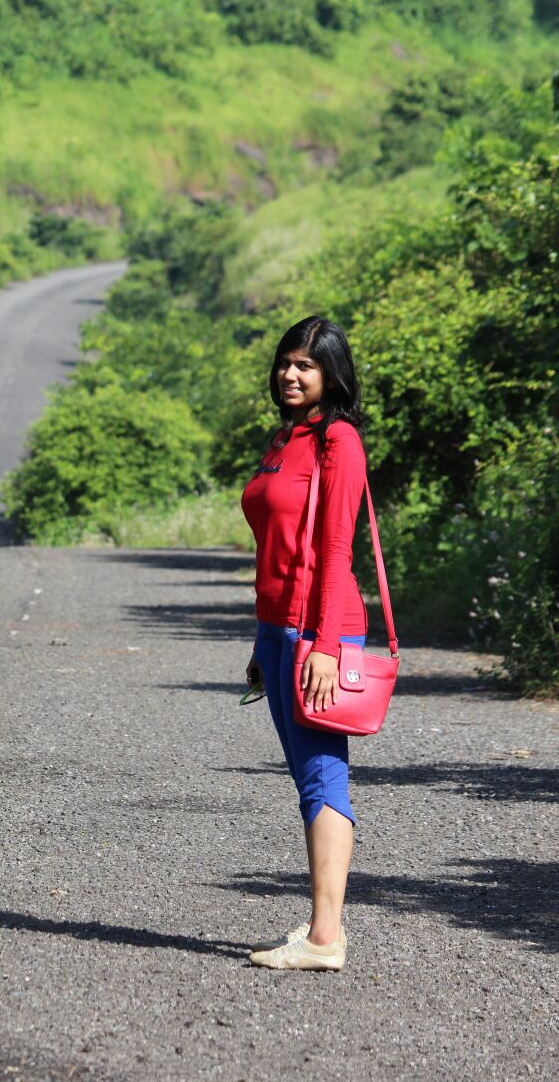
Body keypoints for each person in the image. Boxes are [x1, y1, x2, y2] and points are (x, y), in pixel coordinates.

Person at [240, 314, 368, 972]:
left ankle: (324, 938)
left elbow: (336, 549)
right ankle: (322, 925)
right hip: (279, 629)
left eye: (306, 365)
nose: (290, 374)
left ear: (331, 374)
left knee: (322, 777)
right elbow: (276, 549)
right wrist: (262, 641)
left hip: (319, 629)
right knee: (307, 779)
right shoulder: (286, 439)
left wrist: (324, 644)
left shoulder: (338, 441)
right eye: (285, 362)